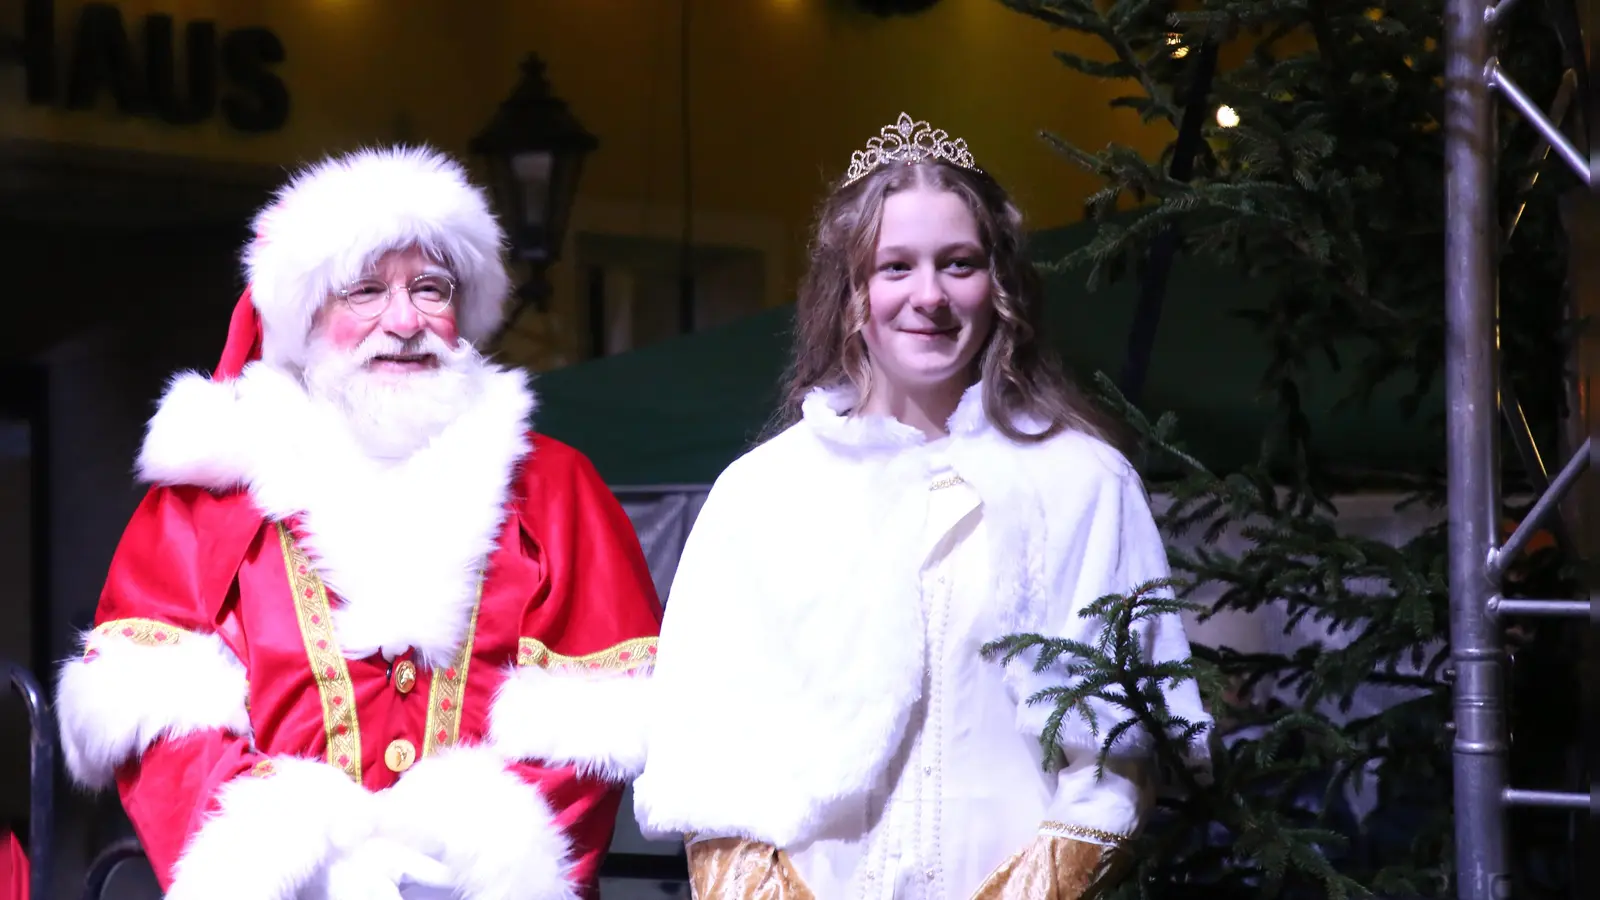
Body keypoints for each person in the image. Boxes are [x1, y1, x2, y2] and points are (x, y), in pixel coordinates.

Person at [54, 145, 662, 900]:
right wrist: (303, 863)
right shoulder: (206, 507)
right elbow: (165, 739)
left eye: (431, 290)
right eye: (366, 291)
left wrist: (466, 859)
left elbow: (592, 737)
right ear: (307, 318)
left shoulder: (556, 491)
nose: (404, 321)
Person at [631, 114, 1213, 899]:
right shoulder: (762, 496)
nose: (929, 296)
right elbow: (710, 750)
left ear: (999, 284)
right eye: (895, 266)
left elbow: (1115, 755)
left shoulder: (1081, 484)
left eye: (959, 264)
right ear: (851, 292)